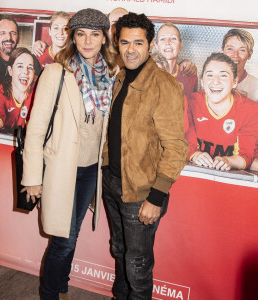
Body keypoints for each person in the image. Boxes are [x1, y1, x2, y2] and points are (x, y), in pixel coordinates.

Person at [21, 8, 117, 300]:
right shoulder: (55, 73)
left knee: (70, 235)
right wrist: (33, 179)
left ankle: (60, 287)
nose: (88, 41)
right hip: (61, 168)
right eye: (81, 34)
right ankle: (51, 293)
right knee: (63, 239)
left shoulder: (110, 76)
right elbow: (36, 129)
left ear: (103, 39)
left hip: (90, 169)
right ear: (74, 38)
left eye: (95, 34)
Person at [102, 13, 188, 300]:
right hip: (113, 183)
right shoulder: (122, 76)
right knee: (119, 251)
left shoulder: (165, 85)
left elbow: (176, 147)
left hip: (142, 192)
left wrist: (156, 197)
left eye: (138, 43)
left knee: (137, 264)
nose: (131, 49)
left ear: (150, 45)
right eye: (125, 42)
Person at [186, 52, 258, 171]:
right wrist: (195, 155)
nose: (215, 81)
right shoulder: (189, 102)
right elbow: (185, 144)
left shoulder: (250, 109)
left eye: (223, 75)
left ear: (235, 82)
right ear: (202, 81)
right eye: (209, 75)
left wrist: (229, 161)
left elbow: (246, 155)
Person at [0, 15, 40, 90]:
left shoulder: (30, 59)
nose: (8, 37)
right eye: (3, 33)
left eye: (13, 33)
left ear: (18, 38)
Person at [155, 22, 198, 97]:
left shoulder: (189, 74)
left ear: (180, 44)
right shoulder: (146, 74)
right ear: (156, 45)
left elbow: (193, 104)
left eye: (173, 38)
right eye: (162, 39)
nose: (168, 42)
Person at [222, 28, 258, 102]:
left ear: (249, 54)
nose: (235, 55)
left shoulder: (256, 86)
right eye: (230, 49)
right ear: (222, 50)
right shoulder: (210, 80)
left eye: (242, 50)